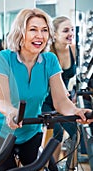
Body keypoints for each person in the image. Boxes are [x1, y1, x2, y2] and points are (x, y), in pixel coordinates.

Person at [0, 8, 93, 171]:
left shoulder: (50, 60)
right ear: (21, 32)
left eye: (44, 30)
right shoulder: (2, 59)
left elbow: (60, 100)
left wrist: (77, 111)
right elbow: (2, 101)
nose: (40, 35)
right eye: (33, 29)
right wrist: (12, 113)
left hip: (29, 132)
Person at [41, 16, 78, 160]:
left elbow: (79, 76)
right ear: (55, 34)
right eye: (66, 30)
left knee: (75, 131)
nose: (71, 33)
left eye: (72, 30)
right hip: (45, 100)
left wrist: (75, 95)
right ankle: (49, 169)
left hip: (63, 100)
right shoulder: (47, 54)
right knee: (56, 132)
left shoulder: (73, 50)